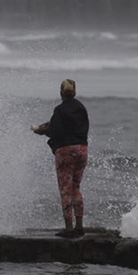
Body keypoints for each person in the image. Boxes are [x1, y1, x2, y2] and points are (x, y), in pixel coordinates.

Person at [32, 78, 89, 237]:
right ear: (75, 92)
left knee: (65, 190)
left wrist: (42, 131)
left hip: (65, 152)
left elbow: (55, 131)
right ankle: (80, 227)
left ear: (60, 93)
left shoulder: (59, 110)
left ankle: (69, 229)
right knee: (76, 188)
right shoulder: (81, 108)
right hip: (82, 150)